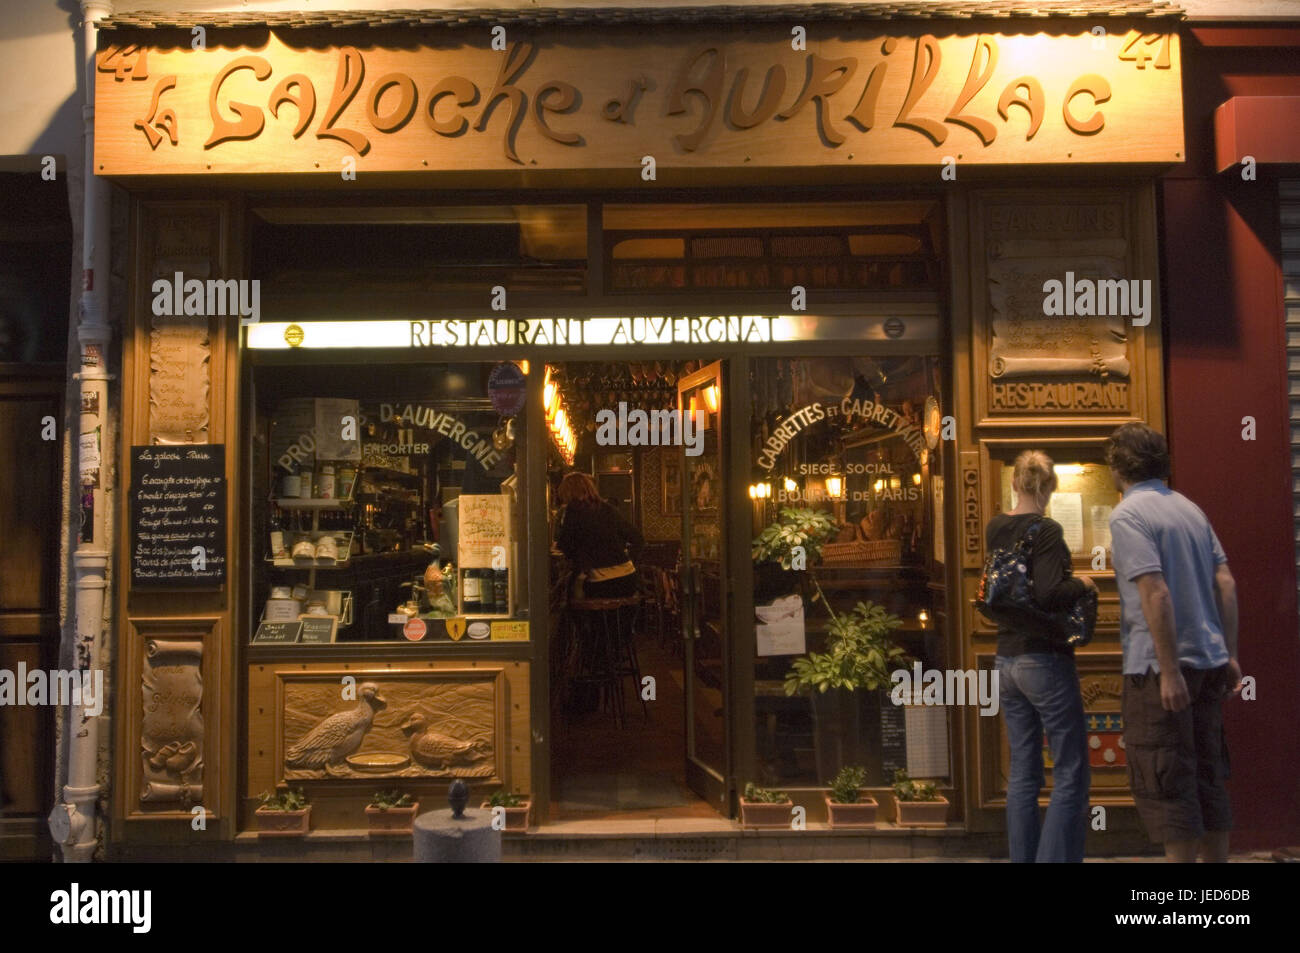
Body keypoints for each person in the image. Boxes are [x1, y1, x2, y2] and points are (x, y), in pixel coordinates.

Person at [1105, 422, 1240, 863]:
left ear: (1117, 466)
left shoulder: (1128, 514)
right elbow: (1226, 582)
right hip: (1208, 661)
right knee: (1207, 777)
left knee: (1168, 783)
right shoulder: (1189, 508)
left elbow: (1155, 591)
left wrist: (1167, 671)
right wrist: (1230, 654)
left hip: (1159, 670)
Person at [987, 450, 1098, 863]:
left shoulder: (996, 526)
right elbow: (1050, 593)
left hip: (1006, 660)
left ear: (1014, 483)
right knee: (1070, 770)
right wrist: (1084, 582)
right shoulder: (1047, 530)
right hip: (1045, 661)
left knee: (1022, 771)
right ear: (1050, 487)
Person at [555, 471, 644, 599]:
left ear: (568, 493)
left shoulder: (573, 510)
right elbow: (638, 539)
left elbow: (565, 546)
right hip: (628, 580)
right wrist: (628, 561)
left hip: (600, 583)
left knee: (570, 600)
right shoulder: (608, 508)